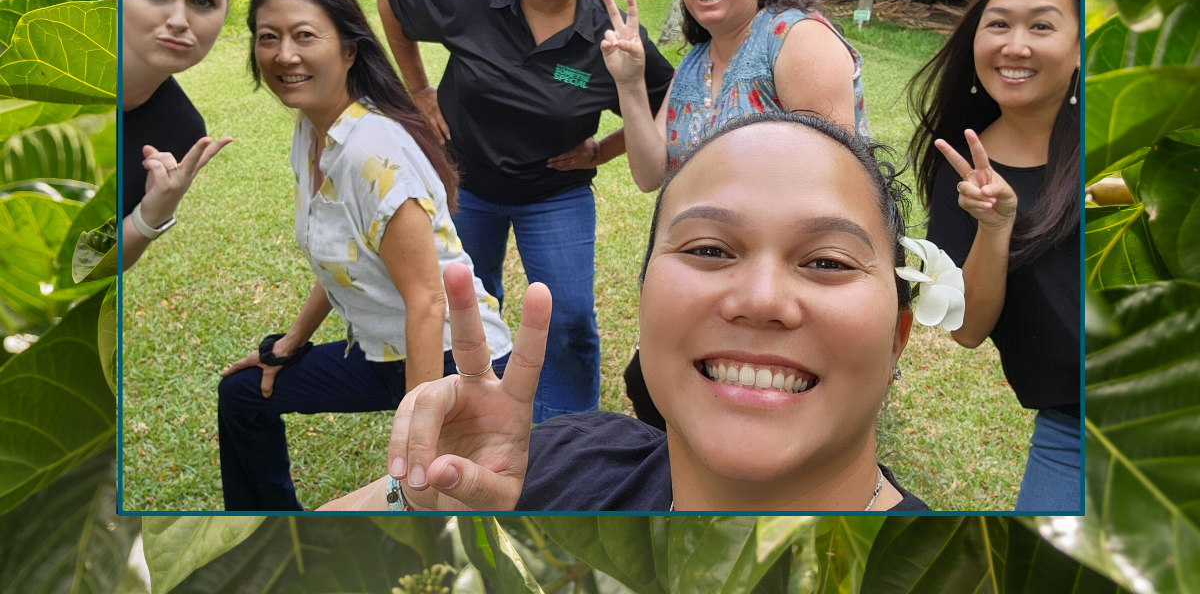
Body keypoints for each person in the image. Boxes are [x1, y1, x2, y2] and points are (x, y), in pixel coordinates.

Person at [320, 113, 932, 512]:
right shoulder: (557, 463)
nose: (761, 300)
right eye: (710, 250)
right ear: (645, 299)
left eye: (827, 262)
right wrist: (425, 510)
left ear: (898, 335)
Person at [217, 0, 513, 511]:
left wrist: (415, 443)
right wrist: (285, 347)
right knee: (241, 395)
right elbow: (342, 261)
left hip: (453, 357)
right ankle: (266, 525)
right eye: (268, 38)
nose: (285, 54)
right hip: (380, 352)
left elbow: (426, 302)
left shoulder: (372, 151)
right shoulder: (312, 132)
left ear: (349, 50)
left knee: (427, 508)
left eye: (305, 35)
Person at [377, 0, 675, 422]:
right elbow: (390, 1)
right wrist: (418, 90)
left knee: (569, 317)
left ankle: (570, 431)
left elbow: (667, 102)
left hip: (553, 194)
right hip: (464, 184)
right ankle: (479, 412)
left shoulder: (606, 33)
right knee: (466, 306)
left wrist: (602, 150)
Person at [605, 0, 869, 426]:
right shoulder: (693, 63)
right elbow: (649, 172)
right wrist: (631, 82)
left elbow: (833, 180)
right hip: (709, 270)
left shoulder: (794, 38)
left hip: (781, 278)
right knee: (657, 388)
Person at [908, 0, 1081, 511]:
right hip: (1073, 429)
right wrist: (995, 226)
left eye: (1042, 26)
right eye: (999, 24)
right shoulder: (962, 170)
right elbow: (968, 328)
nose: (1015, 45)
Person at [121, 0, 234, 269]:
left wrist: (151, 214)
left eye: (203, 1)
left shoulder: (181, 131)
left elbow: (84, 265)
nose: (179, 20)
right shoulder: (46, 56)